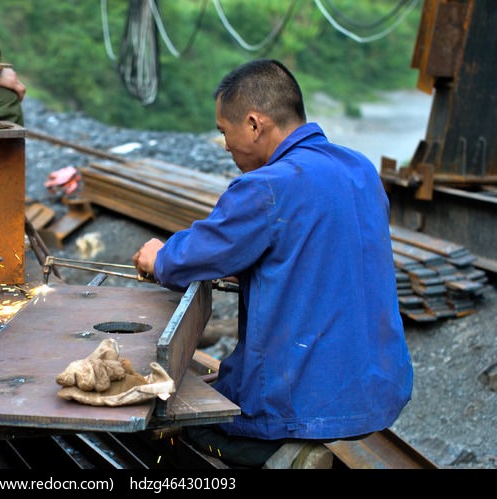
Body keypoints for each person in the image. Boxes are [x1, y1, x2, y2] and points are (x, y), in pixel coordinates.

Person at [132, 59, 413, 468]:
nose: (226, 146)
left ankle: (287, 456)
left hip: (307, 397)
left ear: (253, 124)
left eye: (225, 132)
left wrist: (158, 257)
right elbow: (314, 249)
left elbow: (195, 254)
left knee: (187, 421)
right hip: (381, 386)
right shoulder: (360, 169)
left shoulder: (266, 186)